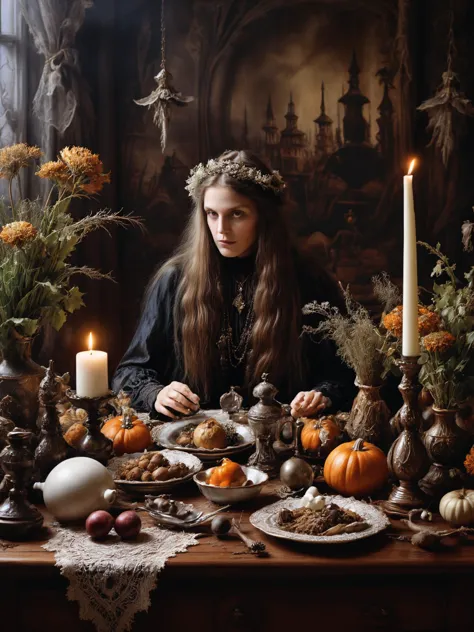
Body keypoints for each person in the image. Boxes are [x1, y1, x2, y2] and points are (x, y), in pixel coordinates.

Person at [112, 150, 355, 420]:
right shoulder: (174, 280)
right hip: (192, 444)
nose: (221, 229)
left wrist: (321, 395)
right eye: (211, 214)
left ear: (263, 217)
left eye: (237, 214)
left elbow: (345, 374)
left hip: (281, 445)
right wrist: (156, 393)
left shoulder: (308, 280)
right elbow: (128, 373)